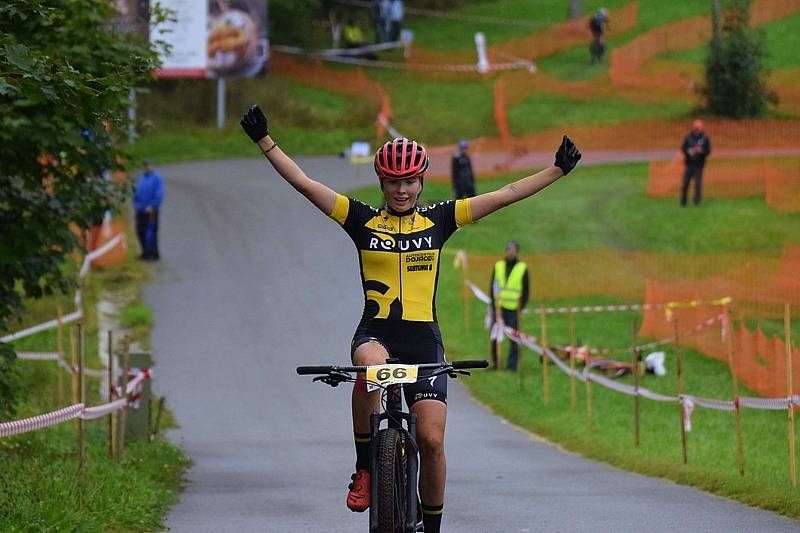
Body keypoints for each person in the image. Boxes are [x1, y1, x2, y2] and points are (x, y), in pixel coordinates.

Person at [240, 105, 580, 533]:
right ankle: (365, 468)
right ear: (382, 182)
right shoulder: (362, 220)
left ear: (421, 181)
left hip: (423, 341)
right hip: (376, 334)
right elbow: (305, 183)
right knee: (369, 368)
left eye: (409, 182)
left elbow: (506, 193)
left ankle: (432, 527)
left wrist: (556, 170)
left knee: (432, 441)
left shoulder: (440, 219)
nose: (401, 190)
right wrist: (265, 141)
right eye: (393, 182)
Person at [489, 241, 529, 371]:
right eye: (508, 250)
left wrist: (520, 306)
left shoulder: (522, 268)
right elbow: (493, 286)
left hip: (513, 309)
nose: (510, 252)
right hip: (499, 307)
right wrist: (493, 304)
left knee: (514, 338)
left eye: (513, 250)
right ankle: (496, 364)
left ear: (517, 252)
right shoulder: (498, 266)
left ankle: (512, 366)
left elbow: (526, 290)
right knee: (495, 336)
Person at [133, 159, 164, 260]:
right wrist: (136, 204)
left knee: (150, 232)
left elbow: (159, 193)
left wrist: (152, 205)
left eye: (149, 165)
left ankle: (153, 254)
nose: (147, 168)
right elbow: (136, 192)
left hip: (151, 210)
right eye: (145, 166)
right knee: (140, 231)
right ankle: (145, 252)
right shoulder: (141, 178)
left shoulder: (156, 178)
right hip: (141, 209)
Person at [680, 119, 711, 206]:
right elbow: (683, 148)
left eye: (698, 128)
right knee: (685, 183)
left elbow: (708, 151)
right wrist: (690, 151)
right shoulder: (688, 137)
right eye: (696, 128)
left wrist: (701, 151)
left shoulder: (705, 138)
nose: (697, 130)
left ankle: (697, 202)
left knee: (697, 184)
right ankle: (683, 202)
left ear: (701, 128)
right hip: (689, 164)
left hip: (699, 165)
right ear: (693, 128)